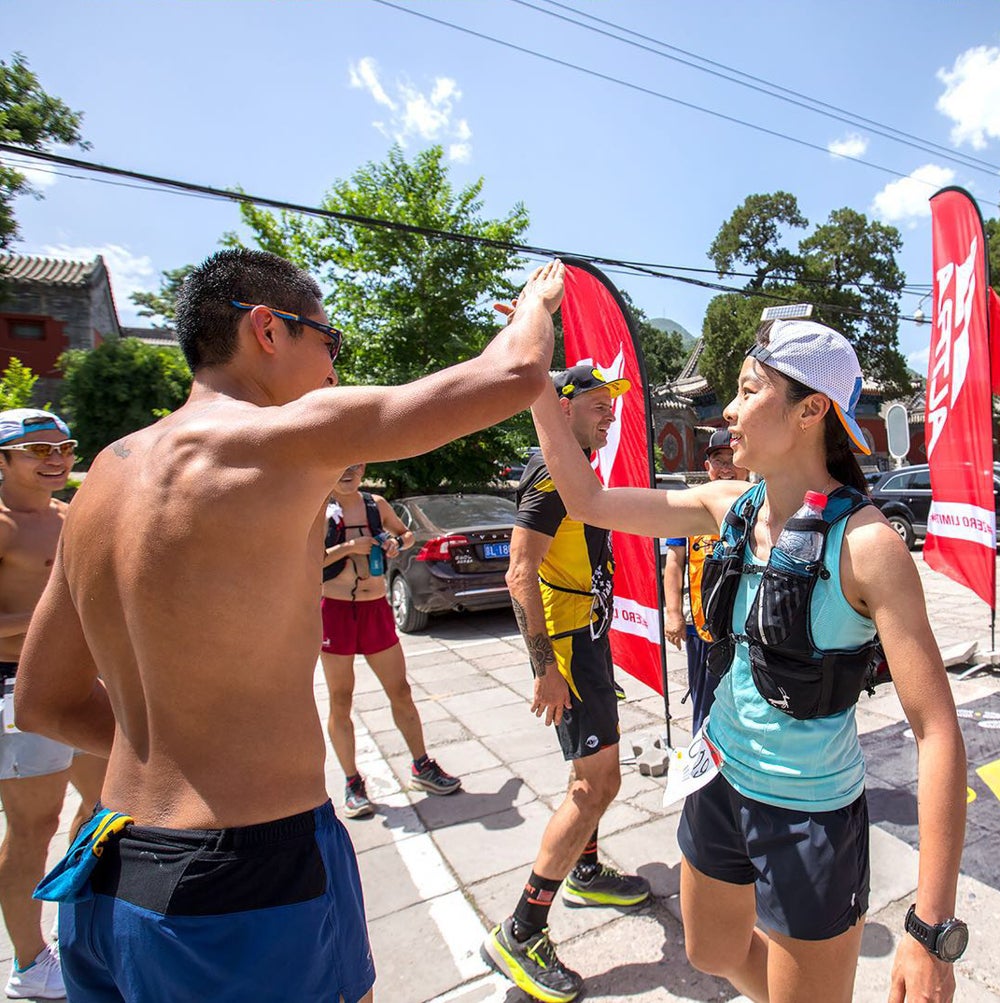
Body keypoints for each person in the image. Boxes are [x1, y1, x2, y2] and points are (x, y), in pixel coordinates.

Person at [14, 248, 564, 1003]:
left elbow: (41, 700)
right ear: (267, 330)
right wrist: (540, 301)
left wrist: (178, 747)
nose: (335, 372)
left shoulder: (105, 475)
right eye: (328, 343)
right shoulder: (277, 438)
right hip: (240, 882)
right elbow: (514, 376)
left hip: (106, 872)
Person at [528, 320, 968, 1003]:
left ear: (811, 409)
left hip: (809, 812)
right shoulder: (729, 505)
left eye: (747, 390)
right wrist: (536, 385)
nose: (727, 411)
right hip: (717, 779)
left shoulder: (867, 545)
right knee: (709, 949)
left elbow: (937, 730)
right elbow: (587, 499)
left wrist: (929, 925)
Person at [482, 365, 651, 1003]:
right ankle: (520, 932)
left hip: (587, 639)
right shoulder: (555, 473)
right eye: (597, 404)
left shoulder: (575, 465)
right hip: (568, 649)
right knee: (596, 783)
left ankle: (583, 868)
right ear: (561, 405)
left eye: (612, 404)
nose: (609, 414)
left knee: (594, 774)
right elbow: (518, 571)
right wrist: (544, 668)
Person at [0, 408, 106, 1000]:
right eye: (37, 450)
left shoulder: (72, 516)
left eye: (63, 447)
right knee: (32, 826)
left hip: (84, 680)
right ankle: (27, 963)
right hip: (16, 689)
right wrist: (53, 622)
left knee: (102, 804)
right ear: (3, 461)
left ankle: (73, 930)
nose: (57, 459)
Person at [321, 462, 460, 819]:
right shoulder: (317, 506)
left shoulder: (375, 504)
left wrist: (395, 543)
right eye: (341, 463)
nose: (347, 471)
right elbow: (308, 560)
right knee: (341, 697)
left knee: (400, 690)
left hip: (374, 607)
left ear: (363, 465)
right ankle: (353, 783)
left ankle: (421, 766)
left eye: (354, 464)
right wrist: (350, 547)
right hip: (334, 610)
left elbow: (406, 535)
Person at [662, 429, 748, 733]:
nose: (726, 468)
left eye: (732, 459)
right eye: (718, 460)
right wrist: (673, 614)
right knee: (706, 704)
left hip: (748, 629)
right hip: (702, 622)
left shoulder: (761, 504)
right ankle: (704, 767)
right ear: (707, 467)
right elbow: (674, 561)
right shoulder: (690, 506)